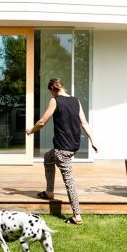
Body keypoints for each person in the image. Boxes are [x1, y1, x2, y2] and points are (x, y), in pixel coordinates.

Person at [26, 77, 98, 225]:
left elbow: (42, 121)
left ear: (53, 88)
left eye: (51, 92)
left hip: (63, 149)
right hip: (72, 147)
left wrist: (31, 130)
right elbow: (84, 123)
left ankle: (77, 215)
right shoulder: (75, 101)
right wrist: (93, 140)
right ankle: (49, 192)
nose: (51, 95)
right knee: (48, 157)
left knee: (69, 181)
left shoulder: (55, 100)